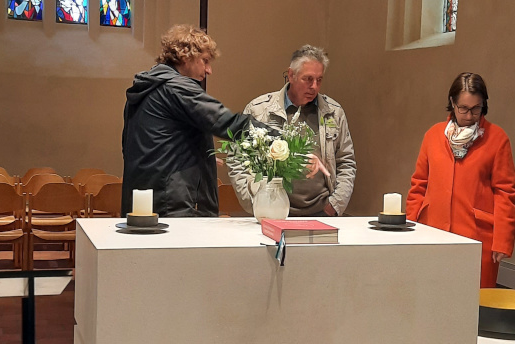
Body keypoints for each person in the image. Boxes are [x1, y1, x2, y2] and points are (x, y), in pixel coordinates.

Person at [121, 24, 256, 217]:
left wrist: (197, 155)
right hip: (175, 205)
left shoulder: (145, 89)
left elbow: (135, 147)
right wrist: (280, 141)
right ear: (186, 56)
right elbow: (224, 122)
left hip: (143, 202)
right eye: (205, 61)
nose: (209, 70)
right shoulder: (178, 87)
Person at [406, 72, 515, 288]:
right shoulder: (433, 135)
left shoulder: (497, 138)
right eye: (463, 108)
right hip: (433, 231)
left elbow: (505, 192)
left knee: (475, 303)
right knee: (433, 293)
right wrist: (410, 226)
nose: (469, 115)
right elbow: (419, 184)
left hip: (478, 237)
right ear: (452, 103)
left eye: (476, 108)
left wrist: (502, 240)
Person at [228, 45, 356, 217]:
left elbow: (346, 162)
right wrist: (255, 203)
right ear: (291, 75)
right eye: (308, 79)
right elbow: (236, 158)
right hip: (272, 210)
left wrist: (335, 205)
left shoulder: (333, 112)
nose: (314, 86)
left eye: (319, 80)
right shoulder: (259, 110)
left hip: (321, 210)